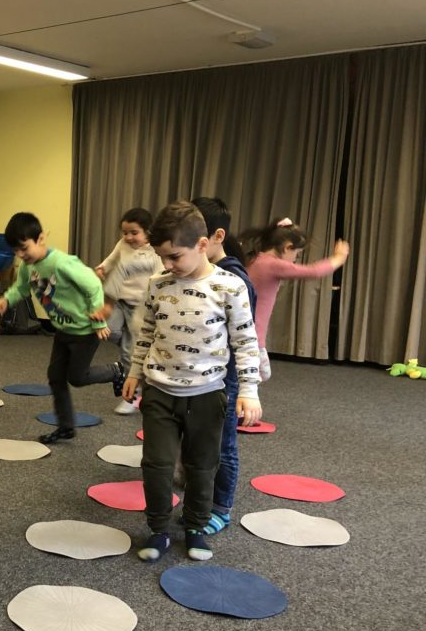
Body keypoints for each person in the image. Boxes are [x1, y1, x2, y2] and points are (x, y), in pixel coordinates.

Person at [122, 200, 262, 563]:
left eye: (175, 256)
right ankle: (158, 529)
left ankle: (196, 527)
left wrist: (249, 390)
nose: (168, 265)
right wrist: (135, 372)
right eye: (162, 257)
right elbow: (147, 332)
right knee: (157, 464)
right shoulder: (158, 285)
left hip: (207, 394)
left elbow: (246, 342)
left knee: (202, 467)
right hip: (160, 391)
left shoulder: (230, 286)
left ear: (202, 244)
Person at [0, 212, 123, 445]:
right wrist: (7, 299)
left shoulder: (61, 263)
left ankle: (116, 371)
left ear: (41, 238)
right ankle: (65, 427)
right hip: (63, 330)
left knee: (78, 377)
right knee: (55, 377)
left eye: (24, 248)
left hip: (85, 331)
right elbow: (21, 288)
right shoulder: (27, 267)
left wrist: (98, 321)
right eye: (16, 251)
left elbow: (93, 285)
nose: (20, 255)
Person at [191, 196, 257, 535]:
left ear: (217, 236)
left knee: (223, 445)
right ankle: (201, 498)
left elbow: (244, 339)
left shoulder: (233, 279)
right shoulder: (194, 272)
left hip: (224, 380)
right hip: (199, 376)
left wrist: (247, 389)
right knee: (200, 441)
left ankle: (221, 508)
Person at [243, 217, 350, 381]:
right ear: (287, 247)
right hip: (252, 337)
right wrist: (338, 258)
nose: (294, 259)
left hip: (245, 333)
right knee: (255, 376)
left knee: (252, 376)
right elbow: (312, 272)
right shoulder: (273, 264)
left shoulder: (256, 259)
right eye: (296, 254)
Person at [93, 207, 162, 415]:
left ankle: (132, 396)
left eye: (134, 233)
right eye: (125, 232)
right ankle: (129, 343)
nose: (129, 237)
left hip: (140, 306)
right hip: (119, 301)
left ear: (147, 231)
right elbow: (111, 259)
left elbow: (160, 276)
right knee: (109, 331)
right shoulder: (123, 244)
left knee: (129, 353)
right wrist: (101, 269)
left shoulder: (155, 251)